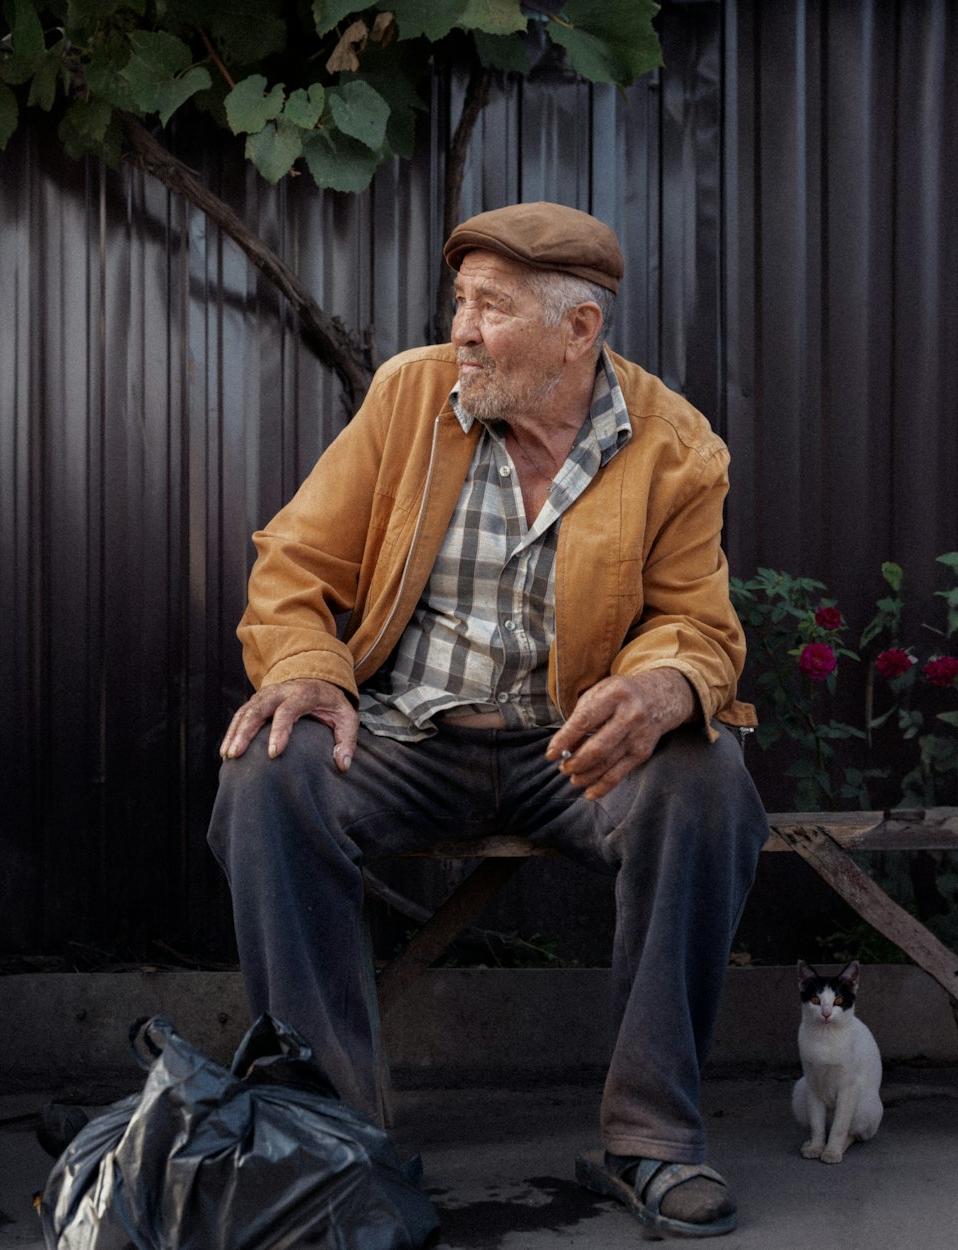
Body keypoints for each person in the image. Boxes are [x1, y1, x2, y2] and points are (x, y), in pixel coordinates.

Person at [207, 201, 769, 1240]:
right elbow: (295, 562)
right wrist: (308, 665)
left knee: (706, 779)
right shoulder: (410, 395)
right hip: (407, 735)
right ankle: (333, 1141)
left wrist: (662, 685)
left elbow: (697, 621)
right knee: (267, 772)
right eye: (459, 301)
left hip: (571, 749)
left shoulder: (675, 444)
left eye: (491, 309)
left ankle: (650, 1135)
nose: (460, 329)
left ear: (578, 329)